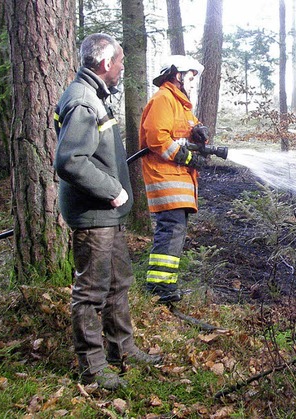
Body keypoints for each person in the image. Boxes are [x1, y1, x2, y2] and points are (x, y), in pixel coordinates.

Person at [54, 33, 161, 390]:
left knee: (118, 283)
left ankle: (122, 348)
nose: (121, 68)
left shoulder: (95, 95)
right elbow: (70, 161)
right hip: (94, 213)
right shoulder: (84, 101)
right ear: (104, 64)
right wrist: (111, 189)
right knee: (91, 290)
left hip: (107, 214)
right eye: (119, 62)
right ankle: (94, 367)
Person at [139, 55, 210, 303]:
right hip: (165, 177)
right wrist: (186, 158)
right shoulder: (163, 99)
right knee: (170, 229)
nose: (192, 84)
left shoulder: (181, 105)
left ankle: (166, 285)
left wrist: (201, 133)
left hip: (178, 179)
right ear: (176, 75)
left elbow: (188, 134)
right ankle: (159, 289)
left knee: (175, 229)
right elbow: (157, 138)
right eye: (190, 78)